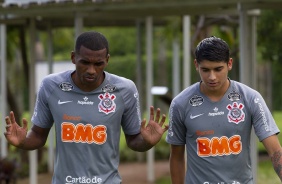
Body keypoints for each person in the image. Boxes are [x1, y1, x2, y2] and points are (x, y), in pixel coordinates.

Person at [4, 31, 168, 184]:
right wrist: (23, 141)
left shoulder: (125, 89)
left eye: (98, 64)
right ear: (74, 57)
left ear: (107, 60)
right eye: (85, 62)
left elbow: (133, 140)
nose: (91, 70)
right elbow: (39, 135)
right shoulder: (51, 86)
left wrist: (147, 142)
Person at [166, 36, 282, 184]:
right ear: (196, 65)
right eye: (205, 70)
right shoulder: (180, 103)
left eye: (218, 69)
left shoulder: (251, 98)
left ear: (230, 64)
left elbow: (275, 151)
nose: (212, 77)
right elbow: (176, 157)